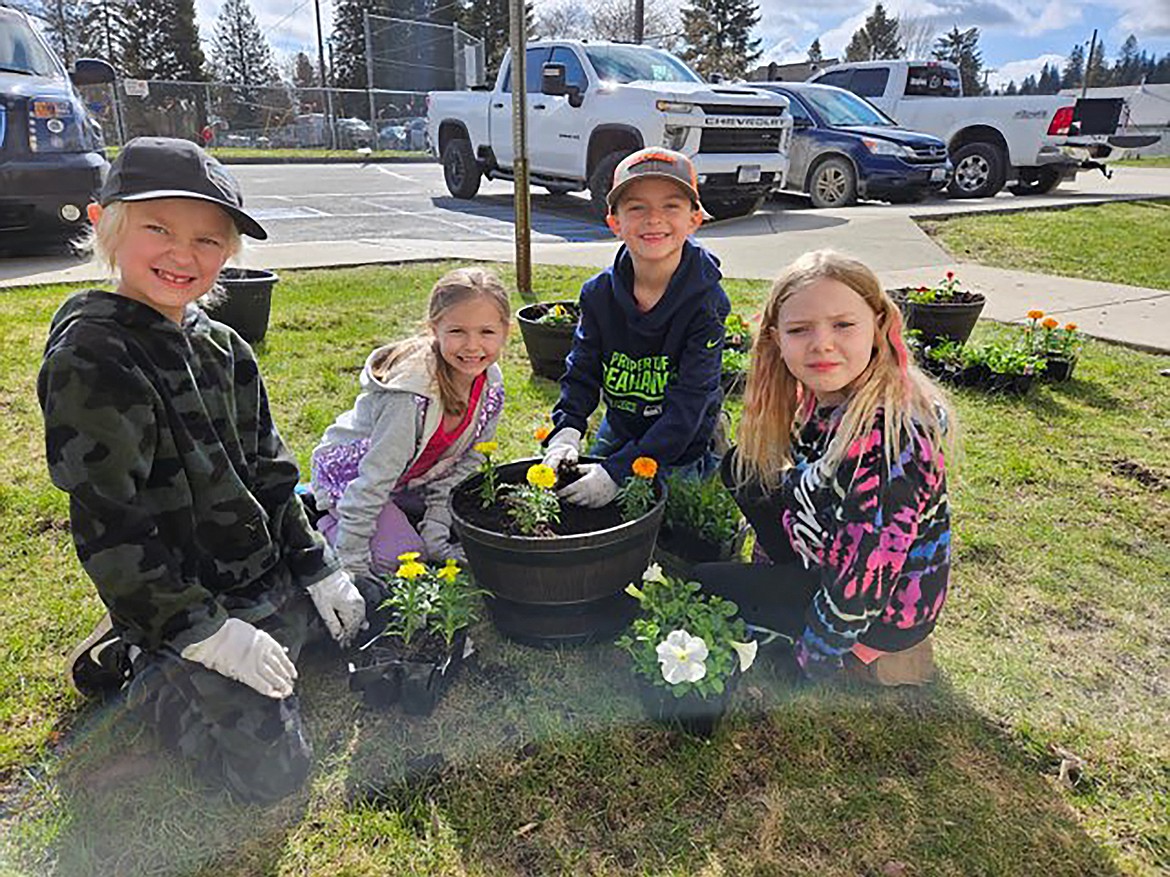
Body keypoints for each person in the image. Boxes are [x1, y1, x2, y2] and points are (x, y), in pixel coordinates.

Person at [38, 136, 367, 803]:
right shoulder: (94, 356)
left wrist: (318, 565)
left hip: (260, 572)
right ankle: (141, 660)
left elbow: (272, 474)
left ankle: (267, 626)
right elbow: (113, 526)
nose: (185, 255)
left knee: (368, 614)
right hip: (185, 595)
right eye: (158, 229)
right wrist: (203, 632)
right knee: (271, 772)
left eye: (209, 241)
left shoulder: (225, 347)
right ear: (106, 224)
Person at [695, 249, 955, 686]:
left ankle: (867, 653)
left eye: (843, 325)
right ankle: (796, 592)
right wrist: (774, 574)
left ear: (878, 325)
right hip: (839, 557)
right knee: (744, 467)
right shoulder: (828, 397)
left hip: (886, 612)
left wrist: (810, 660)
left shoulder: (890, 441)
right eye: (800, 329)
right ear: (776, 339)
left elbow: (864, 584)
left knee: (709, 584)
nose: (822, 344)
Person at [541, 147, 730, 507]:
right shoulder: (598, 295)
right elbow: (582, 370)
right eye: (637, 207)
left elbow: (688, 406)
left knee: (669, 526)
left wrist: (618, 471)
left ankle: (712, 452)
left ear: (695, 219)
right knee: (580, 503)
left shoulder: (707, 304)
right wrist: (567, 429)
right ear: (615, 222)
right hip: (622, 426)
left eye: (671, 206)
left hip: (680, 442)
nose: (653, 219)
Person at [310, 267, 507, 579]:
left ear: (505, 332)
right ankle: (322, 523)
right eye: (457, 332)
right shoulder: (409, 396)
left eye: (486, 332)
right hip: (356, 478)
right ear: (434, 329)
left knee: (484, 514)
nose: (472, 346)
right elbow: (373, 479)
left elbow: (468, 462)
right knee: (401, 559)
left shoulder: (490, 384)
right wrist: (353, 564)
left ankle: (405, 520)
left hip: (414, 477)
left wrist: (437, 533)